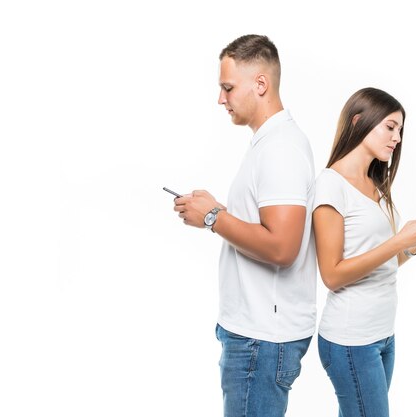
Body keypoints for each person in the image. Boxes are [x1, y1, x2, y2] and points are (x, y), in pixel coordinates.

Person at [172, 35, 316, 417]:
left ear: (261, 84)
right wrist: (215, 211)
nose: (221, 99)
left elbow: (283, 247)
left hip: (261, 341)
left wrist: (213, 217)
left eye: (228, 87)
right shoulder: (269, 143)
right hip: (257, 335)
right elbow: (265, 226)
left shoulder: (280, 149)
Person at [312, 87, 416, 417]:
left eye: (400, 130)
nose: (397, 137)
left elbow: (381, 262)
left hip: (382, 335)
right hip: (351, 340)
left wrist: (415, 245)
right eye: (390, 127)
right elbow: (332, 275)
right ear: (359, 121)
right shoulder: (331, 185)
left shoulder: (375, 183)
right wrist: (399, 241)